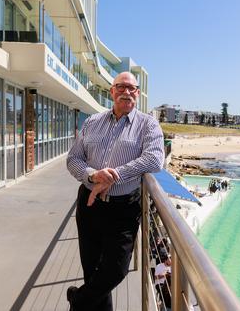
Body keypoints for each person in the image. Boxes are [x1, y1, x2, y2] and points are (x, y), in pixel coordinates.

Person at [66, 72, 164, 310]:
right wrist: (93, 175)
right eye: (121, 87)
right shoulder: (92, 122)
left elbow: (155, 159)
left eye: (132, 88)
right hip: (89, 204)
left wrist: (114, 175)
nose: (126, 91)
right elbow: (73, 159)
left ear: (138, 94)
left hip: (124, 208)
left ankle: (77, 300)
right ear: (112, 91)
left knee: (115, 270)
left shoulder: (147, 124)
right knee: (92, 271)